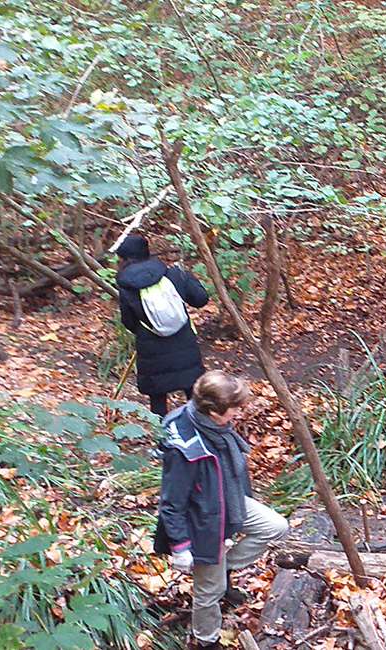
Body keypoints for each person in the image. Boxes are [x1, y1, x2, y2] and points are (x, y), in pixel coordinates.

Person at [155, 371, 289, 650]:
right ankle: (205, 641)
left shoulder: (213, 426)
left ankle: (223, 570)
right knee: (209, 591)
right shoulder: (184, 447)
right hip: (201, 521)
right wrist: (180, 547)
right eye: (235, 408)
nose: (240, 413)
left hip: (227, 500)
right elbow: (172, 503)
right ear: (214, 410)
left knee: (275, 527)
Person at [115, 235, 211, 417]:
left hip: (151, 350)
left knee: (157, 399)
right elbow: (201, 299)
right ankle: (199, 434)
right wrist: (188, 277)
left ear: (125, 259)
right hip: (184, 345)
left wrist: (146, 330)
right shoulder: (173, 274)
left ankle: (162, 440)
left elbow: (128, 322)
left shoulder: (127, 287)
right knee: (195, 395)